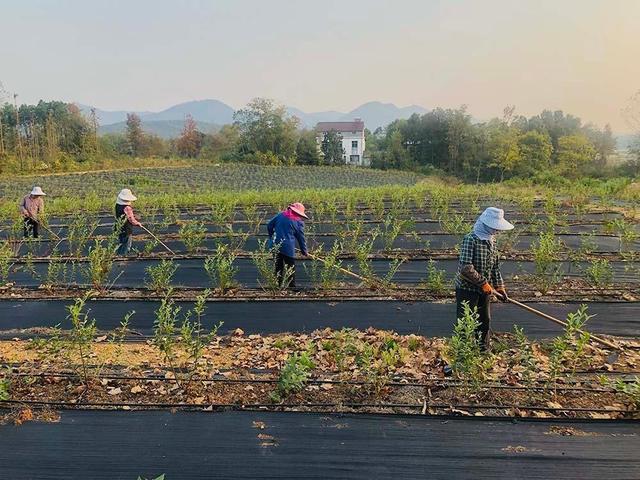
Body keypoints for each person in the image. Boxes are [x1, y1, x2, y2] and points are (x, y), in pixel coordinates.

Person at [455, 207, 514, 351]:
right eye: (494, 227)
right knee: (466, 321)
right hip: (467, 288)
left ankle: (483, 350)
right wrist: (483, 283)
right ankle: (463, 352)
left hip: (485, 290)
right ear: (486, 224)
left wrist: (500, 287)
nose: (497, 231)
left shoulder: (492, 242)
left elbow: (495, 267)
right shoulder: (471, 239)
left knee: (484, 320)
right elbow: (465, 268)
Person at [267, 202, 309, 289]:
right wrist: (304, 251)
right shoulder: (298, 222)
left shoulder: (280, 215)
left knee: (278, 266)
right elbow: (301, 238)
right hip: (288, 248)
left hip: (275, 245)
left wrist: (272, 236)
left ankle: (278, 286)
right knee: (290, 267)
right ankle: (292, 286)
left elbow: (269, 225)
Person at [114, 188, 142, 255]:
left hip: (119, 226)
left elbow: (123, 215)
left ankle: (118, 255)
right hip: (126, 228)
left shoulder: (117, 205)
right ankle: (123, 256)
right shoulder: (127, 207)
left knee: (121, 242)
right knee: (126, 243)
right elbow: (131, 219)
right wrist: (138, 223)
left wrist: (134, 216)